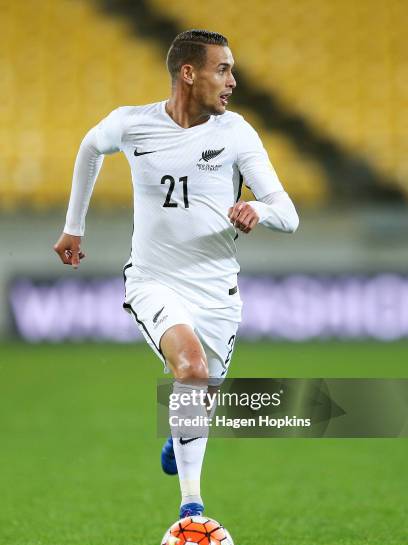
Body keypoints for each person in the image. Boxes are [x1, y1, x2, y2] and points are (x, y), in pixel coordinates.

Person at [53, 29, 299, 519]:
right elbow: (89, 147)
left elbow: (287, 213)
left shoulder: (236, 133)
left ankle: (177, 435)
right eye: (222, 69)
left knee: (201, 392)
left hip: (216, 290)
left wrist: (259, 211)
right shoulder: (132, 124)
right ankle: (192, 509)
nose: (232, 81)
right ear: (189, 73)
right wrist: (72, 229)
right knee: (190, 370)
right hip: (153, 280)